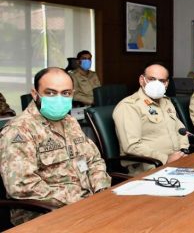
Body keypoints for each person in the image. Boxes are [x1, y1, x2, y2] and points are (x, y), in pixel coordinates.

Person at [0, 67, 111, 225]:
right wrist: (80, 200)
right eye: (50, 93)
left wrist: (101, 191)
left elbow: (94, 160)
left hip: (89, 205)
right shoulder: (19, 131)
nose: (59, 98)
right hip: (45, 215)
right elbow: (23, 186)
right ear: (35, 94)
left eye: (65, 93)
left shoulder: (70, 122)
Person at [113, 64, 189, 174]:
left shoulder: (166, 102)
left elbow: (181, 130)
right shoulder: (129, 106)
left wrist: (182, 151)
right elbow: (131, 146)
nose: (157, 84)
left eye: (162, 81)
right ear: (141, 80)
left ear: (167, 83)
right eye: (152, 79)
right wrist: (165, 159)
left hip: (176, 161)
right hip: (149, 166)